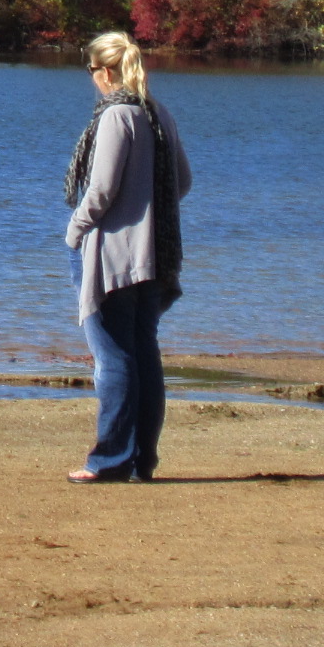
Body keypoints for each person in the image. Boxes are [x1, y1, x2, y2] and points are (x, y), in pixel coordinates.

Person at [62, 32, 192, 483]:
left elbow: (100, 191)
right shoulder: (159, 113)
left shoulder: (117, 116)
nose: (93, 80)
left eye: (93, 71)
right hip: (156, 256)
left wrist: (74, 231)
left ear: (107, 71)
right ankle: (142, 462)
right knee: (142, 353)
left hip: (113, 257)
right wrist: (149, 213)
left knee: (113, 356)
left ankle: (110, 461)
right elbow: (183, 182)